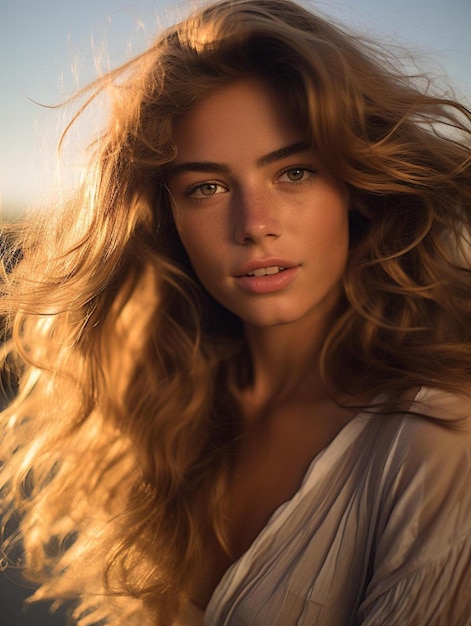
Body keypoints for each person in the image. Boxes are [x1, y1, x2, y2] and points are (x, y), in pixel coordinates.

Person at [1, 0, 470, 624]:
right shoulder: (170, 410)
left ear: (357, 185)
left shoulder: (436, 441)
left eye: (294, 172)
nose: (255, 226)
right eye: (207, 188)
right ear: (167, 218)